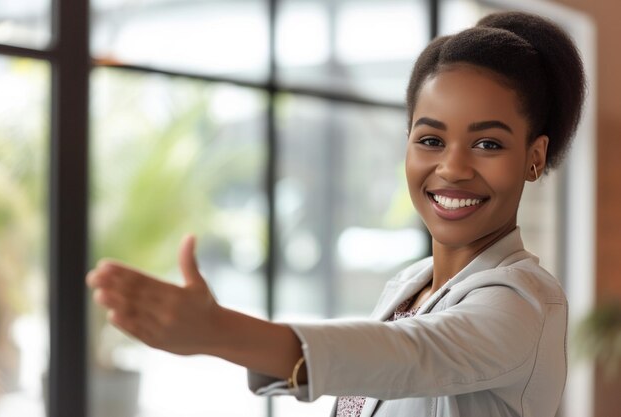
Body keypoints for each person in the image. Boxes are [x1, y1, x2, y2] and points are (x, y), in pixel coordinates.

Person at [87, 10, 586, 417]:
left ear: (534, 157)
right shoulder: (411, 285)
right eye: (430, 139)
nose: (452, 168)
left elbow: (404, 356)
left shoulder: (524, 304)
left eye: (488, 143)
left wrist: (218, 331)